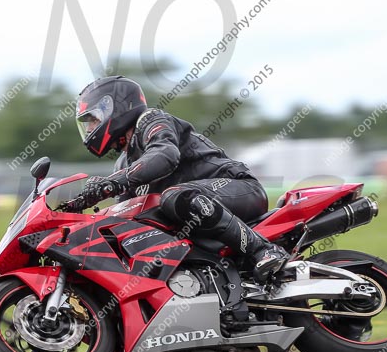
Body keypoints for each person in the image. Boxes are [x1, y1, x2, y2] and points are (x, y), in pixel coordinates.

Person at [75, 75, 289, 285]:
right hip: (198, 212)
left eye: (93, 119)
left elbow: (164, 155)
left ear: (117, 108)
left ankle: (264, 250)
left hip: (238, 188)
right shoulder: (123, 163)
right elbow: (123, 219)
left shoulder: (151, 121)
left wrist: (112, 182)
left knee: (175, 196)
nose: (90, 128)